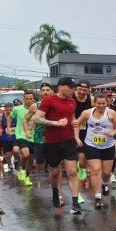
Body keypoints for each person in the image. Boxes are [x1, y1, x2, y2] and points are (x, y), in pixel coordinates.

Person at [32, 77, 82, 214]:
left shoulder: (72, 101)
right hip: (52, 142)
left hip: (69, 140)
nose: (73, 90)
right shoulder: (49, 100)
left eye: (74, 87)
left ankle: (75, 203)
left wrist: (74, 123)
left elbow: (71, 118)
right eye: (71, 87)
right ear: (61, 87)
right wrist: (55, 123)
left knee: (72, 171)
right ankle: (55, 193)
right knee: (55, 172)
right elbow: (36, 118)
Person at [74, 93, 116, 209]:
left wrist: (113, 132)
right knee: (95, 170)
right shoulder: (87, 113)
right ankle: (97, 197)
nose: (101, 106)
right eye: (99, 104)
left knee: (106, 173)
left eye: (104, 104)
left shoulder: (111, 113)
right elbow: (77, 124)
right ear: (95, 103)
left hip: (108, 146)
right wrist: (77, 138)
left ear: (107, 103)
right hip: (91, 145)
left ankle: (104, 183)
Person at [25, 83, 55, 175]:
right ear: (40, 93)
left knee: (55, 164)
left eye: (47, 90)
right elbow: (26, 119)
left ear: (52, 91)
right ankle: (27, 172)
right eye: (43, 90)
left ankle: (55, 185)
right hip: (40, 138)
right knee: (39, 165)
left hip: (55, 137)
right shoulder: (35, 106)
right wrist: (27, 131)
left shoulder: (58, 104)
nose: (45, 92)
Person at [10, 91, 36, 185]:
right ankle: (22, 169)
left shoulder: (37, 109)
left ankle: (27, 177)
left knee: (32, 160)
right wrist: (9, 127)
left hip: (33, 136)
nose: (29, 100)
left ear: (33, 99)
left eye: (30, 99)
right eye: (26, 99)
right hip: (21, 135)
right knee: (25, 155)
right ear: (23, 99)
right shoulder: (17, 109)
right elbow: (10, 117)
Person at [0, 102, 19, 174]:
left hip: (15, 137)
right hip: (5, 138)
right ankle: (9, 165)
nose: (9, 112)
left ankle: (16, 160)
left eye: (11, 110)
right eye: (7, 110)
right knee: (7, 155)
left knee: (16, 151)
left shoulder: (17, 115)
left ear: (13, 109)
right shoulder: (1, 116)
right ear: (5, 109)